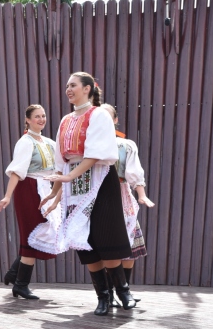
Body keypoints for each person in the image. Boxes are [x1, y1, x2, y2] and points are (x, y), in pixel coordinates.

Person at [34, 72, 137, 316]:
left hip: (100, 177)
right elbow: (61, 161)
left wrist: (70, 176)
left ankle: (123, 291)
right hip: (74, 180)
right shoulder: (66, 119)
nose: (68, 89)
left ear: (88, 89)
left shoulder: (98, 114)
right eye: (67, 86)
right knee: (84, 241)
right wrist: (55, 193)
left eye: (73, 85)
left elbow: (95, 154)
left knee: (106, 235)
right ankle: (103, 296)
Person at [0, 104, 59, 300]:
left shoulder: (50, 142)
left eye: (43, 116)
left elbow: (59, 168)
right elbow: (17, 171)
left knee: (49, 231)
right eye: (37, 116)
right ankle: (21, 285)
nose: (41, 119)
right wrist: (7, 196)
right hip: (29, 189)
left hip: (46, 188)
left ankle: (15, 273)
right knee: (33, 232)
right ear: (28, 120)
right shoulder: (25, 142)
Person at [101, 104, 155, 305]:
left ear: (115, 121)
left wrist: (141, 194)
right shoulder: (89, 145)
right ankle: (108, 293)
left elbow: (134, 171)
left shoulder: (126, 145)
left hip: (122, 195)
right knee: (107, 248)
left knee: (130, 247)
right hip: (100, 197)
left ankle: (124, 291)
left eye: (109, 118)